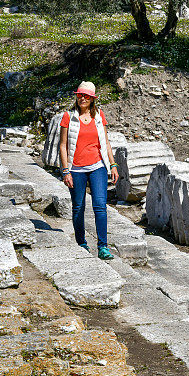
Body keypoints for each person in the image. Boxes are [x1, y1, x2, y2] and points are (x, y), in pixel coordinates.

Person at [58, 81, 119, 260]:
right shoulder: (68, 117)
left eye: (86, 96)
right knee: (78, 207)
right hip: (75, 169)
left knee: (100, 206)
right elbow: (62, 146)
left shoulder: (99, 115)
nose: (82, 98)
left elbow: (105, 142)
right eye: (79, 95)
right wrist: (65, 171)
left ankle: (103, 246)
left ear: (92, 99)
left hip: (97, 166)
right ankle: (82, 243)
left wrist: (113, 164)